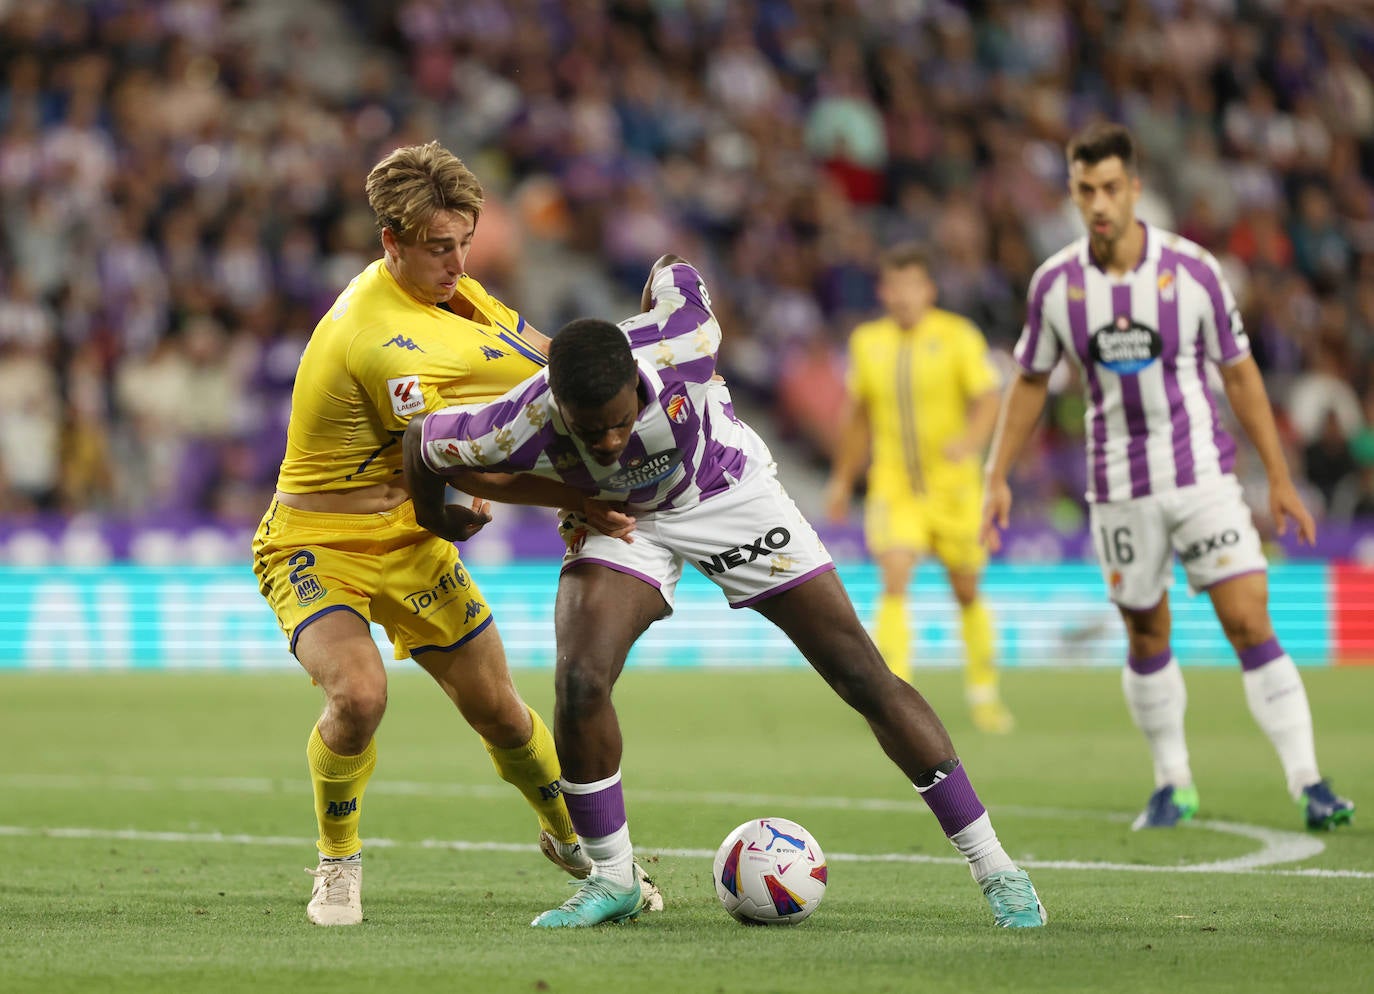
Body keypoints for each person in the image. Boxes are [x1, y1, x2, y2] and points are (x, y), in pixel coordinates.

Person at [402, 253, 1047, 929]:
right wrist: (435, 516)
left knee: (861, 673)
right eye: (593, 432)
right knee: (580, 678)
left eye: (623, 421)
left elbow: (672, 266)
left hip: (728, 492)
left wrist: (653, 293)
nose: (614, 439)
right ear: (558, 405)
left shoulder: (687, 339)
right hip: (627, 522)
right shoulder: (520, 419)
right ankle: (612, 877)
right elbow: (423, 442)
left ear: (638, 379)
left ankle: (996, 867)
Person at [251, 140, 660, 926]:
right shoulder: (381, 342)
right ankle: (337, 862)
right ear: (390, 242)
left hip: (408, 542)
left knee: (503, 713)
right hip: (317, 544)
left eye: (465, 241)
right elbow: (451, 469)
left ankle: (577, 841)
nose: (458, 260)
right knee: (360, 694)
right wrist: (578, 497)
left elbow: (545, 365)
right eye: (440, 247)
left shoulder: (459, 295)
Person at [981, 122, 1354, 832]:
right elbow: (1030, 381)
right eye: (1085, 189)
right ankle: (1172, 782)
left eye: (1111, 188)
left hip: (1203, 477)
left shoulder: (1193, 271)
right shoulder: (1056, 284)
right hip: (1117, 488)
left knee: (1248, 618)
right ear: (1072, 191)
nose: (1099, 203)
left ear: (1136, 189)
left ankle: (1310, 782)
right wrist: (997, 475)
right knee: (1147, 633)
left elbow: (1239, 375)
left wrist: (1278, 477)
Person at [825, 244, 1011, 733]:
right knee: (894, 577)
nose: (904, 296)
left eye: (913, 286)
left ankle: (984, 694)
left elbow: (989, 397)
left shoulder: (957, 336)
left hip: (955, 489)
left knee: (966, 589)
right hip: (895, 486)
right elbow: (858, 414)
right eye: (895, 287)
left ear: (928, 289)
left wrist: (970, 442)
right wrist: (843, 478)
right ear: (884, 292)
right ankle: (895, 695)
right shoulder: (868, 341)